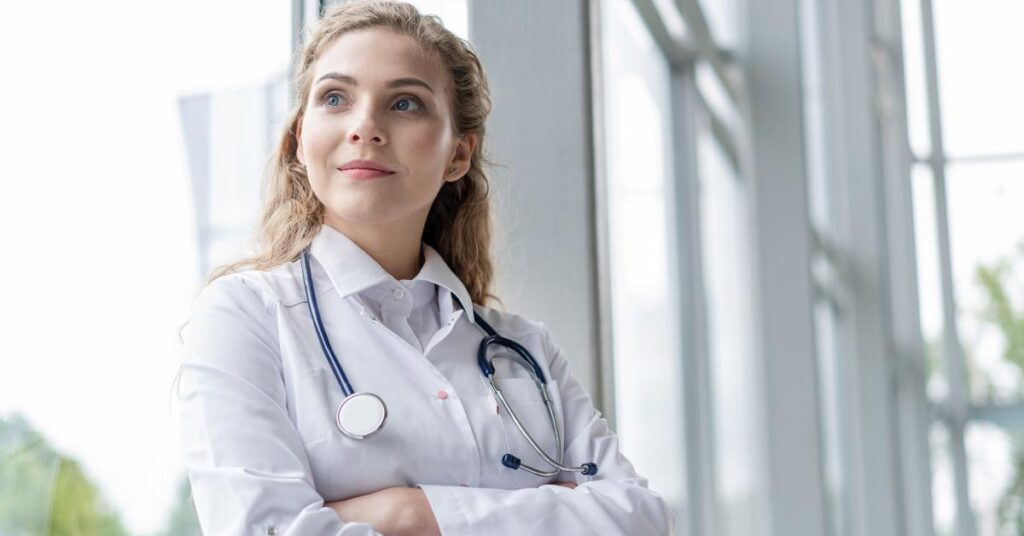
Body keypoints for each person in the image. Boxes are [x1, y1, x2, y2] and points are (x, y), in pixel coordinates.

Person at [172, 1, 676, 534]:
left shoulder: (525, 348)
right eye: (335, 98)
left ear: (458, 154)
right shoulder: (245, 317)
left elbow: (642, 519)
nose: (365, 126)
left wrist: (408, 514)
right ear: (300, 138)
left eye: (405, 103)